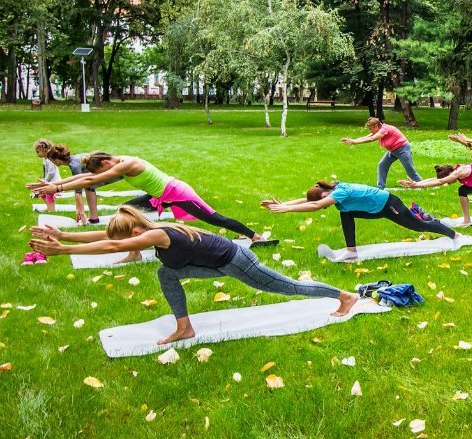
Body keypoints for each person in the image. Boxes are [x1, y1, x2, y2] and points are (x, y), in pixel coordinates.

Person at [29, 207, 365, 345]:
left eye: (126, 237)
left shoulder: (154, 234)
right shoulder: (149, 227)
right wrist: (65, 237)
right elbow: (106, 238)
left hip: (236, 261)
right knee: (166, 273)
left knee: (288, 287)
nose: (124, 242)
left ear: (133, 229)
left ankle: (342, 296)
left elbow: (107, 247)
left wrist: (64, 251)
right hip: (215, 264)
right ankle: (184, 327)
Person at [26, 152, 275, 264]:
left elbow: (91, 181)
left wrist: (56, 190)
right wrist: (56, 184)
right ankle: (134, 251)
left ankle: (255, 236)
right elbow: (85, 178)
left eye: (103, 170)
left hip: (177, 193)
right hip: (160, 195)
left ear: (105, 162)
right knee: (125, 211)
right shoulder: (117, 161)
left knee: (215, 219)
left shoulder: (127, 163)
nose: (106, 175)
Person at [263, 180, 459, 260]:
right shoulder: (330, 190)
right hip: (374, 209)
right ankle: (351, 251)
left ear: (324, 195)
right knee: (345, 213)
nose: (327, 203)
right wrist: (285, 204)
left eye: (324, 201)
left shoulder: (340, 191)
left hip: (388, 204)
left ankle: (453, 234)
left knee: (418, 226)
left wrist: (286, 210)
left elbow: (315, 206)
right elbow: (310, 201)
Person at [341, 118, 421, 189]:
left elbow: (372, 139)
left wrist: (355, 142)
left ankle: (421, 184)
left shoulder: (384, 129)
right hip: (392, 150)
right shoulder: (379, 130)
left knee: (410, 170)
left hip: (402, 149)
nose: (370, 131)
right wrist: (353, 140)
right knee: (382, 165)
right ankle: (380, 187)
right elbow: (367, 136)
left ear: (376, 126)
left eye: (370, 129)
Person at [43, 141, 108, 224]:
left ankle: (93, 217)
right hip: (100, 171)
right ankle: (94, 218)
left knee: (89, 187)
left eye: (52, 160)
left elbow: (78, 190)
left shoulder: (74, 165)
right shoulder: (74, 160)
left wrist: (80, 211)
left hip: (108, 170)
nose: (52, 163)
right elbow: (76, 182)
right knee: (89, 187)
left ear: (57, 160)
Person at [32, 139, 60, 214]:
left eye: (38, 152)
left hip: (54, 182)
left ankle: (52, 210)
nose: (37, 154)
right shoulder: (45, 159)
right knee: (42, 194)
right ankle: (48, 207)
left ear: (44, 150)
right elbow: (47, 171)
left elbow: (51, 172)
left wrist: (45, 181)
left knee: (49, 195)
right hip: (48, 181)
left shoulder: (49, 159)